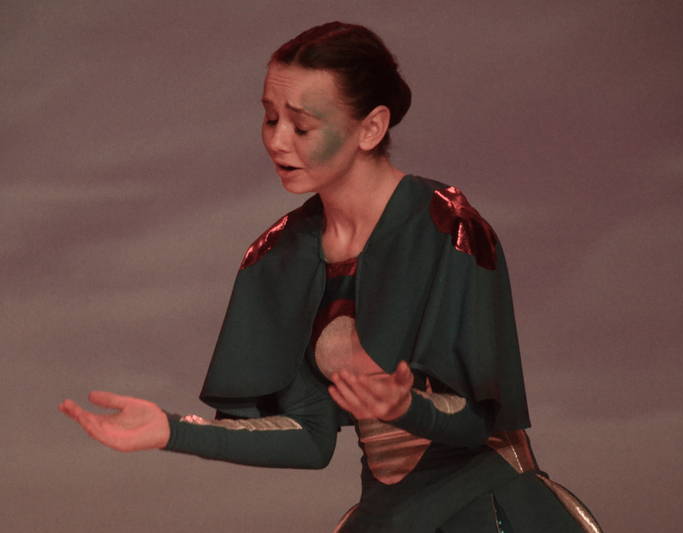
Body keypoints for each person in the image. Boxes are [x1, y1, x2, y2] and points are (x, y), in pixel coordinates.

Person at [59, 21, 602, 533]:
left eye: (302, 125)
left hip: (487, 509)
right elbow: (311, 438)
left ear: (371, 128)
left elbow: (479, 417)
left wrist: (407, 408)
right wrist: (172, 431)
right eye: (270, 118)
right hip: (386, 515)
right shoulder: (279, 256)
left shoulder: (445, 226)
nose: (278, 141)